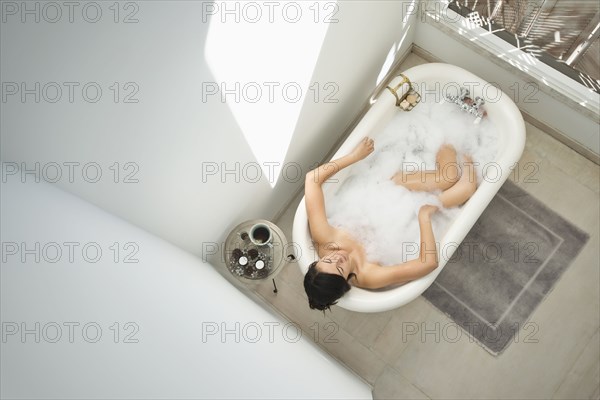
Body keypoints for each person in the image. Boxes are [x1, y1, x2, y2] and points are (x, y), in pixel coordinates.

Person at [303, 137, 478, 311]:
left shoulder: (325, 240)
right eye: (340, 268)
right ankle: (469, 140)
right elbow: (428, 263)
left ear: (318, 262)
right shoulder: (368, 275)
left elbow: (312, 179)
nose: (338, 258)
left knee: (448, 176)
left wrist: (355, 156)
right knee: (468, 187)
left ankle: (453, 130)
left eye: (328, 260)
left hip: (391, 188)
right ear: (346, 281)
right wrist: (424, 216)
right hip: (412, 214)